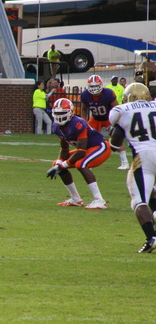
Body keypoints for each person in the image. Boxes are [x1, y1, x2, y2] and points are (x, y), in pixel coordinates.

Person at [109, 83, 156, 253]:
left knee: (138, 199)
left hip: (143, 156)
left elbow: (115, 143)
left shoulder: (123, 110)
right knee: (151, 191)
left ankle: (151, 237)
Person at [47, 98, 110, 209]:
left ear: (70, 112)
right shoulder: (56, 127)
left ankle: (100, 200)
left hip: (100, 147)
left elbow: (81, 151)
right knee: (56, 165)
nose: (59, 116)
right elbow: (64, 149)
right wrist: (59, 163)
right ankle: (76, 199)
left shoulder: (77, 124)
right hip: (87, 150)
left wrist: (64, 164)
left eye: (62, 113)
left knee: (81, 164)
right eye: (57, 113)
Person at [81, 74, 128, 170]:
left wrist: (115, 122)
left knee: (115, 138)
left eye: (96, 86)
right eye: (92, 86)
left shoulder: (108, 93)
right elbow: (84, 109)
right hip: (95, 119)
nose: (94, 89)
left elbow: (116, 108)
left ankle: (125, 162)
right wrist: (84, 121)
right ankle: (88, 161)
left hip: (108, 118)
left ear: (101, 85)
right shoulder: (85, 95)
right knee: (86, 138)